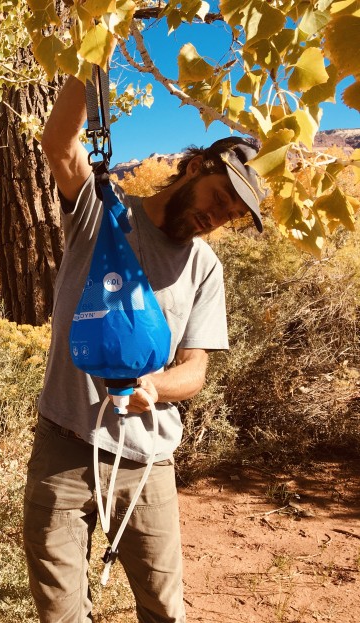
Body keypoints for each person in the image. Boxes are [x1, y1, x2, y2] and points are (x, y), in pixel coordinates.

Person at [23, 73, 267, 623]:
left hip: (147, 459)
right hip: (64, 447)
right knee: (60, 614)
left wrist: (154, 388)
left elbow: (195, 369)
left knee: (163, 609)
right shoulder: (102, 216)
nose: (219, 215)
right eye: (221, 196)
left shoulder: (205, 267)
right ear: (193, 167)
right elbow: (60, 144)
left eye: (232, 214)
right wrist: (94, 47)